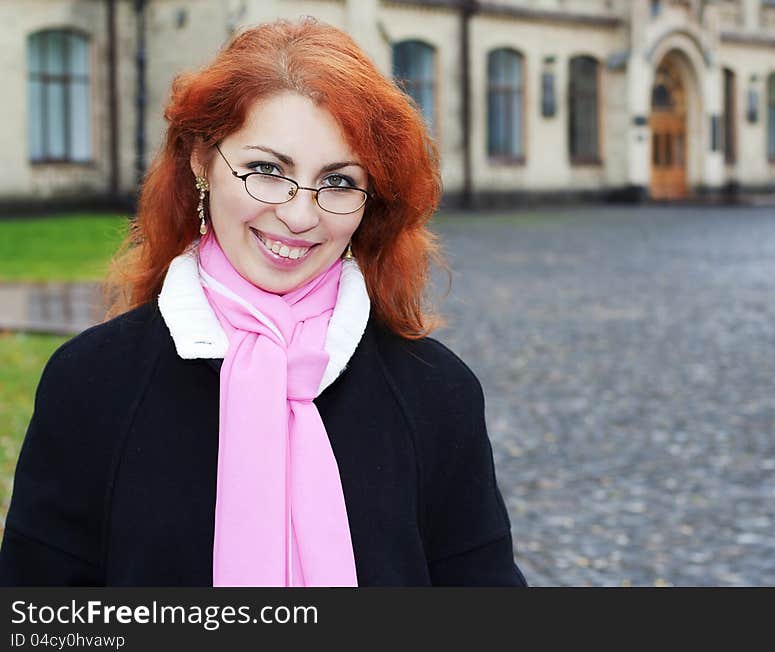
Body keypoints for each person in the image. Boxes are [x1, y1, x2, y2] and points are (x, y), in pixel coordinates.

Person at [0, 18, 526, 586]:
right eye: (266, 170)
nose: (300, 215)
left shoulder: (437, 393)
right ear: (202, 161)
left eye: (340, 181)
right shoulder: (92, 384)